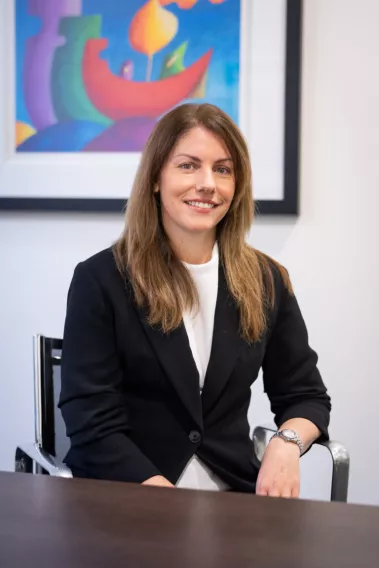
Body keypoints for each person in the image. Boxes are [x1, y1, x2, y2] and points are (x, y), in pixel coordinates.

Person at [59, 103, 331, 498]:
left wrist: (286, 443)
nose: (208, 183)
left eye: (223, 169)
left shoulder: (267, 281)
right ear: (155, 177)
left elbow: (306, 395)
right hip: (129, 497)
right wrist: (162, 498)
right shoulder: (101, 279)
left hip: (232, 498)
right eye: (188, 165)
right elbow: (90, 420)